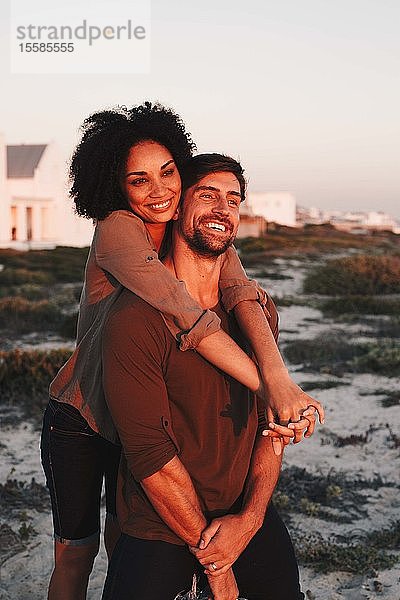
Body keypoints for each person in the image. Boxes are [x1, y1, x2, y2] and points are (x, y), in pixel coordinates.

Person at [41, 103, 322, 600]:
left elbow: (237, 290)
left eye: (168, 173)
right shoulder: (119, 232)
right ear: (117, 187)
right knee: (76, 552)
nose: (161, 190)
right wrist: (272, 387)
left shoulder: (196, 227)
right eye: (139, 180)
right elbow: (187, 314)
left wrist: (278, 380)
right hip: (84, 416)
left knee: (121, 537)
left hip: (134, 414)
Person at [101, 154, 311, 600]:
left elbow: (270, 429)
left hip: (242, 513)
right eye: (208, 195)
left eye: (233, 200)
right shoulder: (135, 318)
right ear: (177, 207)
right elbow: (151, 458)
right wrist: (218, 565)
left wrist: (250, 520)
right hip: (160, 522)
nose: (222, 209)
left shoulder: (255, 313)